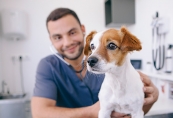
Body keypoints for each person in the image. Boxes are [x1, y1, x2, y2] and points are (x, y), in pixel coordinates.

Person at [31, 7, 159, 118]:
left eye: (72, 32)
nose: (67, 42)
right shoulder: (48, 66)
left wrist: (153, 97)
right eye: (58, 37)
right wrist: (93, 112)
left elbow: (134, 112)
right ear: (51, 40)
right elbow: (39, 114)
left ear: (82, 29)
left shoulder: (116, 68)